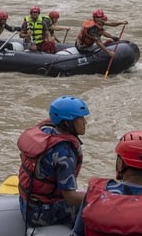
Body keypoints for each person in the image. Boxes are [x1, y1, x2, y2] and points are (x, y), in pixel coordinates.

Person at [17, 95, 89, 227]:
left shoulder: (45, 132)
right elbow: (70, 198)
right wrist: (100, 197)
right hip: (42, 214)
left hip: (27, 204)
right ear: (67, 123)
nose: (85, 122)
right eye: (80, 119)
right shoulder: (63, 153)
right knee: (92, 211)